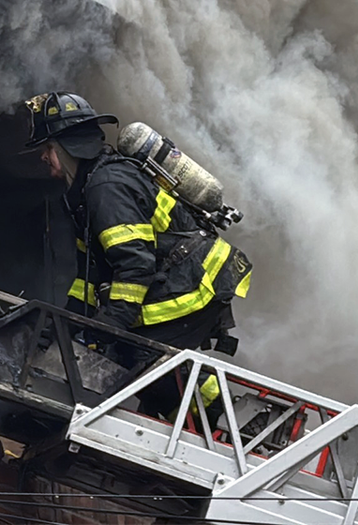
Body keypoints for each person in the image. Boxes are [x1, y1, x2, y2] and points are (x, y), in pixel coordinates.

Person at [24, 92, 252, 422]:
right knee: (131, 356)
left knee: (136, 352)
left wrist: (110, 326)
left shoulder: (107, 188)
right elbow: (90, 275)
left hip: (194, 284)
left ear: (65, 146)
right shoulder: (84, 197)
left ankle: (228, 420)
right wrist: (66, 325)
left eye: (46, 149)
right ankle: (193, 423)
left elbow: (135, 265)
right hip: (178, 279)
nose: (43, 158)